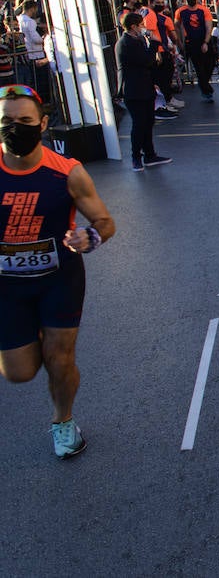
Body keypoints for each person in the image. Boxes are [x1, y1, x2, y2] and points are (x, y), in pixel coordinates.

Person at [0, 84, 116, 458]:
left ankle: (63, 421)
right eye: (6, 121)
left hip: (58, 279)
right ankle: (26, 334)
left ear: (43, 123)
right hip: (6, 286)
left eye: (24, 121)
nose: (15, 127)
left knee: (60, 358)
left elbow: (104, 221)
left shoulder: (68, 172)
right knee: (18, 372)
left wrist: (90, 236)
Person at [115, 12, 172, 170]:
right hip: (133, 90)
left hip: (144, 87)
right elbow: (145, 61)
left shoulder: (138, 40)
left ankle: (150, 154)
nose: (144, 28)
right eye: (141, 25)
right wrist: (154, 45)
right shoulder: (126, 43)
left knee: (148, 122)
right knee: (139, 124)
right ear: (133, 26)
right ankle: (136, 157)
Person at [174, 0, 218, 103]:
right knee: (199, 67)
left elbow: (209, 27)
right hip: (190, 42)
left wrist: (205, 42)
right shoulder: (180, 11)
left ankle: (205, 84)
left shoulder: (204, 10)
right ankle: (206, 91)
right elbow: (176, 26)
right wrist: (179, 41)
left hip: (204, 40)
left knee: (210, 64)